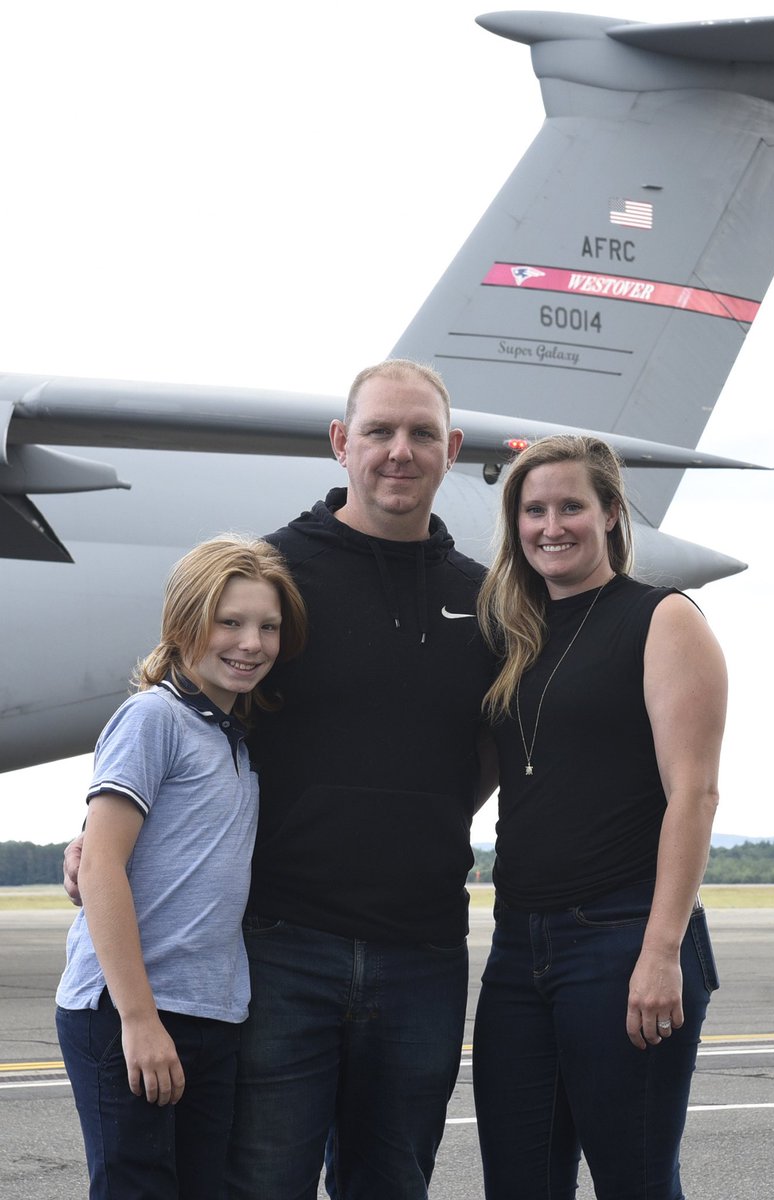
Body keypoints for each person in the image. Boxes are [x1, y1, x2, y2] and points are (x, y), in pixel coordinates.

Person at [224, 359, 498, 1199]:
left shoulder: (484, 602)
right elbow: (187, 710)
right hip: (281, 944)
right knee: (263, 1183)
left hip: (422, 951)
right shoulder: (271, 576)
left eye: (421, 434)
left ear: (451, 450)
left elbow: (492, 755)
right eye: (379, 431)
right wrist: (105, 822)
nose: (399, 452)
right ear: (342, 444)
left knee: (392, 1183)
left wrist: (416, 816)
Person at [472, 434, 727, 1200]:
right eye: (534, 510)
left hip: (621, 940)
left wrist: (661, 952)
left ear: (612, 512)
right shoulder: (514, 636)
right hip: (519, 947)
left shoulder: (663, 619)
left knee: (635, 1183)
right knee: (517, 1185)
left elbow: (695, 794)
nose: (552, 525)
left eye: (572, 506)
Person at [56, 535, 307, 1200]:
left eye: (268, 626)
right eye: (230, 622)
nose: (251, 643)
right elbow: (104, 864)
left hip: (211, 1013)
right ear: (184, 622)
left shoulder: (234, 739)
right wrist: (139, 1020)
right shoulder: (153, 718)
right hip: (129, 1010)